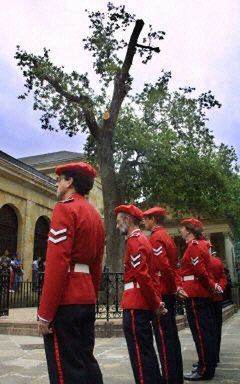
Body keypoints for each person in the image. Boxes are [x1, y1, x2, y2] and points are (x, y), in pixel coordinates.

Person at [38, 161, 105, 384]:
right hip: (85, 296)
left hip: (66, 300)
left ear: (70, 182)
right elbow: (96, 264)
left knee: (66, 370)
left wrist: (45, 313)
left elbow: (57, 263)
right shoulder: (95, 216)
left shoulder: (65, 208)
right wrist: (91, 295)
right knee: (86, 361)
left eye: (59, 180)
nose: (56, 184)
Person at [115, 204, 166, 384]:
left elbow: (142, 276)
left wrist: (155, 303)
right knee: (145, 352)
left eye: (119, 221)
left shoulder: (135, 240)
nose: (116, 225)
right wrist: (156, 301)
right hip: (140, 303)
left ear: (128, 220)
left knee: (140, 355)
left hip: (136, 304)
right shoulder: (141, 239)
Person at [143, 206, 187, 384]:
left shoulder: (156, 237)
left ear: (153, 219)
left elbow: (164, 266)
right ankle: (175, 376)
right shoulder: (166, 237)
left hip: (161, 291)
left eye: (146, 218)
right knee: (170, 337)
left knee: (163, 338)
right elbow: (172, 267)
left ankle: (169, 378)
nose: (144, 221)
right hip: (167, 290)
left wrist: (173, 287)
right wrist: (175, 286)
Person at [179, 218, 222, 381]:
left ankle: (205, 369)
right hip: (199, 292)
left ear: (189, 230)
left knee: (201, 333)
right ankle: (206, 363)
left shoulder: (194, 246)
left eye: (182, 228)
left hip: (197, 293)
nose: (181, 231)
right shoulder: (199, 245)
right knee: (204, 332)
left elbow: (201, 272)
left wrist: (211, 287)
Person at [208, 249, 227, 364]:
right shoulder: (217, 261)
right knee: (217, 327)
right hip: (218, 298)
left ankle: (209, 356)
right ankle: (215, 355)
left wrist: (213, 288)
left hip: (206, 298)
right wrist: (220, 287)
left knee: (208, 329)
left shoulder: (203, 261)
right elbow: (223, 278)